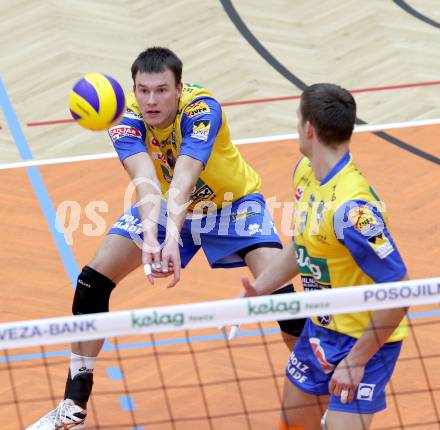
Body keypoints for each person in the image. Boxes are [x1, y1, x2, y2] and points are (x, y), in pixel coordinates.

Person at [26, 47, 305, 430]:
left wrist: (171, 235)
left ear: (179, 88)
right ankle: (73, 406)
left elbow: (187, 174)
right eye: (143, 90)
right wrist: (156, 236)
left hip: (232, 206)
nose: (151, 100)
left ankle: (317, 386)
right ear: (134, 90)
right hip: (163, 203)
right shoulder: (123, 117)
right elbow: (145, 180)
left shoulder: (203, 109)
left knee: (281, 298)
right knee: (92, 281)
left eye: (161, 91)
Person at [240, 83, 408, 430]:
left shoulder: (353, 211)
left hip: (367, 340)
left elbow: (399, 289)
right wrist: (261, 286)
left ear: (308, 129)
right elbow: (303, 244)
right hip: (321, 329)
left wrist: (356, 360)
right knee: (294, 424)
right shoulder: (306, 174)